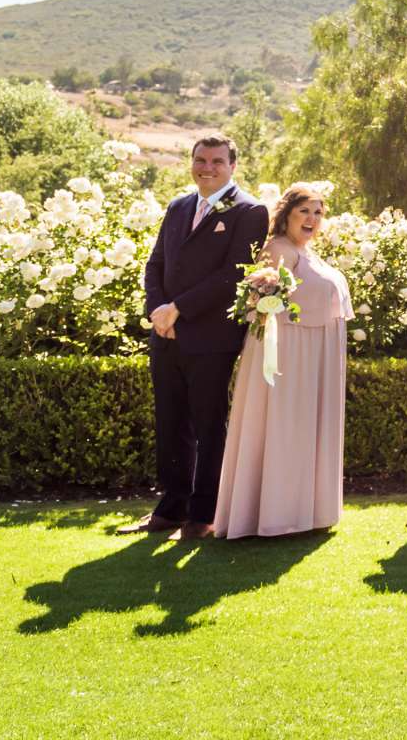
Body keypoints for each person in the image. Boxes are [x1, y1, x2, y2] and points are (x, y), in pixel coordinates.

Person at [121, 135, 268, 540]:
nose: (207, 167)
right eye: (200, 160)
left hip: (211, 337)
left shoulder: (250, 210)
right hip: (165, 333)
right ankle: (170, 509)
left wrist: (179, 308)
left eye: (217, 161)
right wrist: (158, 311)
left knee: (208, 425)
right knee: (170, 424)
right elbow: (156, 264)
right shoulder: (178, 205)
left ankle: (203, 516)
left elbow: (233, 275)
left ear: (233, 166)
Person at [210, 182, 351, 539]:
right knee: (283, 427)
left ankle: (307, 512)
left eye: (318, 212)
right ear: (286, 214)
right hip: (287, 354)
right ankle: (277, 514)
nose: (312, 218)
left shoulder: (310, 254)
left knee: (304, 428)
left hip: (314, 355)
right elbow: (262, 301)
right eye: (304, 210)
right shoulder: (278, 249)